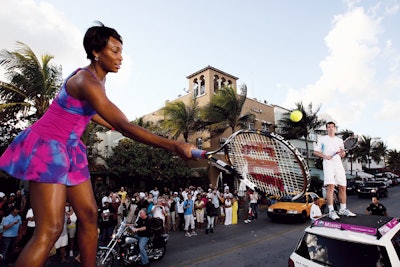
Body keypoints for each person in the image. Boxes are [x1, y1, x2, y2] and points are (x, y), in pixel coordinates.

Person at [0, 22, 195, 267]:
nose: (120, 57)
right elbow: (125, 125)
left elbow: (88, 112)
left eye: (121, 51)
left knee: (90, 215)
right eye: (114, 51)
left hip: (70, 149)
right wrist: (175, 147)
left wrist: (109, 123)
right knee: (50, 229)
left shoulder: (96, 80)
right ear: (96, 52)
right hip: (48, 147)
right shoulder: (87, 81)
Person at [313, 121, 356, 220]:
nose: (331, 128)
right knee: (330, 187)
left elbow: (343, 155)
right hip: (328, 164)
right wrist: (325, 156)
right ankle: (331, 210)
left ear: (335, 128)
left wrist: (342, 152)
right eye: (329, 127)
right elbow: (315, 152)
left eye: (332, 127)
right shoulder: (322, 139)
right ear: (327, 129)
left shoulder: (339, 140)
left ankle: (343, 209)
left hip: (338, 164)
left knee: (343, 187)